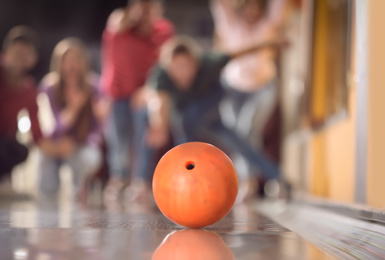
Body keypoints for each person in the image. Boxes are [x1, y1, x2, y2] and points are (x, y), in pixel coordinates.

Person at [146, 36, 285, 200]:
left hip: (211, 101)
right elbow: (159, 102)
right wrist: (160, 125)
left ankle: (190, 173)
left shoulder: (209, 63)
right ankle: (277, 174)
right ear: (168, 67)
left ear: (196, 63)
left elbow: (238, 53)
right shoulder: (161, 74)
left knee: (186, 121)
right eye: (177, 67)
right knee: (236, 142)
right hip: (191, 114)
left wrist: (268, 43)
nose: (183, 72)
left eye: (187, 66)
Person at [100, 0, 174, 203]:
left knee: (146, 135)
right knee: (119, 139)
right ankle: (118, 178)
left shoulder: (164, 31)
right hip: (118, 93)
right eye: (141, 6)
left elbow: (164, 65)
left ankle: (141, 181)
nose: (145, 12)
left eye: (151, 7)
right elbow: (113, 61)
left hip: (146, 94)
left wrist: (148, 90)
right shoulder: (119, 28)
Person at [0, 26, 76, 194]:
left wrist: (61, 149)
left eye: (25, 55)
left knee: (19, 151)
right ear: (6, 53)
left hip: (4, 143)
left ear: (33, 58)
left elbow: (37, 136)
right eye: (16, 53)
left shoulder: (29, 91)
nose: (20, 60)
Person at [210, 0, 289, 153]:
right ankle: (242, 173)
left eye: (257, 8)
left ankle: (248, 175)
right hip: (232, 88)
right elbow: (219, 6)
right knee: (234, 132)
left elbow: (279, 5)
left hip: (262, 87)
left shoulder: (268, 25)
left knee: (248, 128)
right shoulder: (230, 26)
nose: (253, 12)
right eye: (249, 7)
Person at [38, 38, 104, 199]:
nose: (72, 65)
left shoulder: (94, 86)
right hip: (55, 146)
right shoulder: (48, 87)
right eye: (67, 60)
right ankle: (48, 200)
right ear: (59, 63)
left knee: (89, 157)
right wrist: (73, 109)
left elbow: (98, 129)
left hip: (81, 147)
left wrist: (77, 143)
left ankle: (78, 189)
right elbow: (48, 129)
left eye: (77, 60)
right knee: (46, 185)